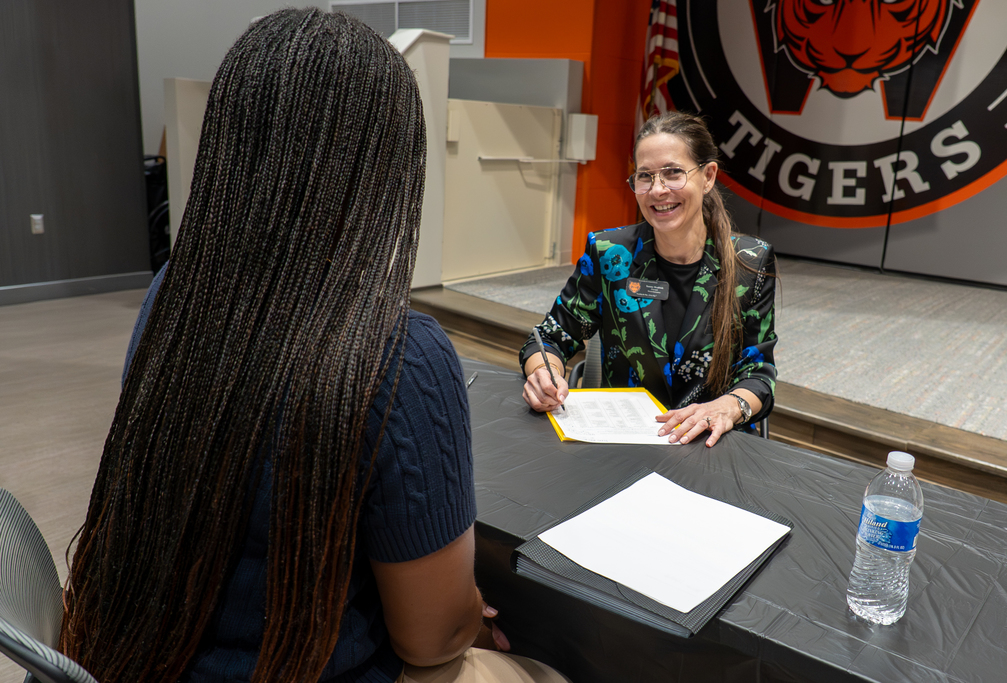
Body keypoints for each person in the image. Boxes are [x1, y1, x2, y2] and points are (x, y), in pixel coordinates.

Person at [59, 9, 568, 683]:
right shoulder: (402, 358)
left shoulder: (170, 296)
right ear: (388, 172)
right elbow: (432, 639)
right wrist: (471, 612)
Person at [521, 111, 777, 448]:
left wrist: (728, 407)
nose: (658, 190)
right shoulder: (610, 253)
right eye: (645, 176)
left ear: (708, 176)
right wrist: (544, 373)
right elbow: (550, 336)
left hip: (708, 446)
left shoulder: (751, 262)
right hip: (622, 444)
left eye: (673, 173)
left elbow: (758, 373)